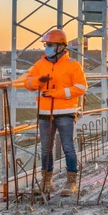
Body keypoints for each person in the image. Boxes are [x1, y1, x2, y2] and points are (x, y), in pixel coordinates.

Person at [19, 28, 88, 196]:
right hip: (45, 113)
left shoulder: (72, 66)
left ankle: (71, 182)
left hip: (65, 113)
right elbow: (27, 83)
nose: (47, 48)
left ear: (60, 47)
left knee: (68, 147)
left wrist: (57, 93)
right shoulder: (40, 65)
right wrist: (37, 81)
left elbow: (81, 88)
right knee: (45, 149)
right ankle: (46, 181)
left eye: (50, 45)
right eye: (46, 44)